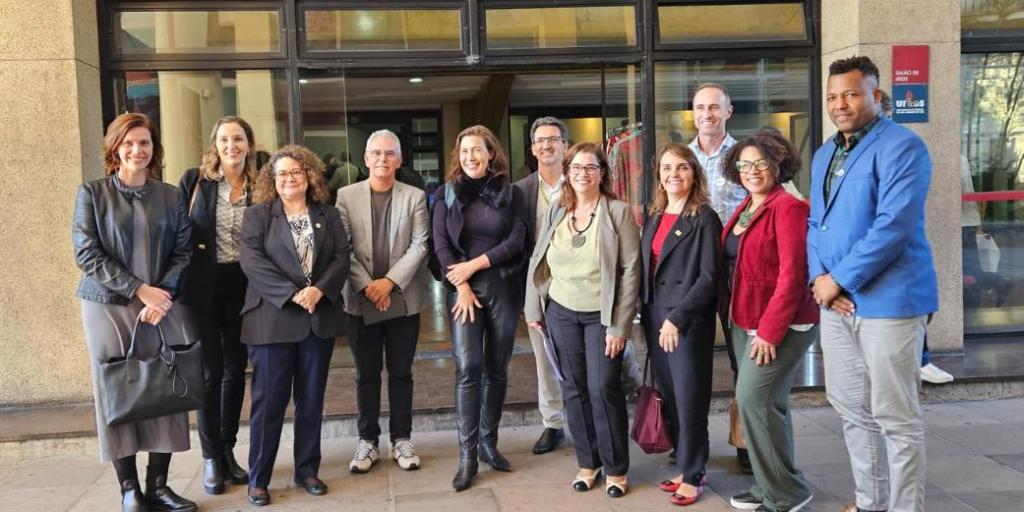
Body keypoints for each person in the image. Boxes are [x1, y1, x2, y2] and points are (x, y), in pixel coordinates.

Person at [809, 56, 938, 512]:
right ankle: (869, 502)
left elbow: (893, 226)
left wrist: (839, 279)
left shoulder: (903, 146)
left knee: (896, 419)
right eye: (832, 96)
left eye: (850, 94)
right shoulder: (826, 152)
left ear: (875, 96)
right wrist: (820, 280)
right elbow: (815, 224)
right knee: (851, 412)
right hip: (836, 304)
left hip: (890, 302)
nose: (839, 104)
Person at [72, 112, 197, 512]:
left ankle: (159, 485)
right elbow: (86, 253)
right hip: (109, 306)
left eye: (144, 143)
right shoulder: (92, 193)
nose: (137, 150)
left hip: (163, 305)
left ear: (153, 149)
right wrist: (139, 290)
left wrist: (163, 297)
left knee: (167, 385)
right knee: (118, 390)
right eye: (128, 143)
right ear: (114, 148)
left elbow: (182, 251)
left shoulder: (170, 195)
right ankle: (129, 489)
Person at [525, 142, 641, 499]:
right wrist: (534, 309)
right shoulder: (557, 210)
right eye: (576, 166)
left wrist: (620, 326)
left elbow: (631, 271)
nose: (582, 173)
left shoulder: (618, 212)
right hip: (560, 311)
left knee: (603, 387)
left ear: (602, 173)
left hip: (601, 316)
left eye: (590, 167)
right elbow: (538, 257)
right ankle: (588, 463)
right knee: (573, 390)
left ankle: (616, 467)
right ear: (567, 171)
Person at [238, 145, 351, 506]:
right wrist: (292, 294)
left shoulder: (328, 215)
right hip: (272, 321)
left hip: (316, 320)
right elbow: (251, 261)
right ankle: (259, 478)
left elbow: (341, 257)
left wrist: (319, 290)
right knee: (269, 405)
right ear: (272, 180)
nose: (290, 179)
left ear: (310, 177)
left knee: (311, 401)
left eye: (297, 173)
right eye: (282, 174)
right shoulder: (258, 216)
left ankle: (307, 470)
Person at [722, 130, 818, 512]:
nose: (752, 170)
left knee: (753, 400)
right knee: (768, 404)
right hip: (745, 319)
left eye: (761, 163)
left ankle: (787, 493)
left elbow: (793, 275)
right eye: (744, 164)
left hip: (780, 324)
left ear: (778, 165)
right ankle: (771, 486)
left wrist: (769, 331)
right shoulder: (747, 205)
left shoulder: (788, 207)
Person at [432, 125, 527, 492]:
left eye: (478, 150)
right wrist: (464, 284)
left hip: (503, 285)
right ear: (459, 156)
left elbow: (517, 238)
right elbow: (440, 245)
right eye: (465, 150)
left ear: (491, 154)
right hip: (463, 291)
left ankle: (489, 443)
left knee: (497, 367)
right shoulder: (447, 194)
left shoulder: (511, 192)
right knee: (468, 367)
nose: (471, 156)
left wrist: (477, 265)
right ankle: (467, 456)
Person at [336, 130, 430, 473]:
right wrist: (369, 287)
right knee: (366, 373)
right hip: (360, 301)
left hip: (403, 299)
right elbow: (341, 248)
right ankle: (368, 441)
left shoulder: (415, 196)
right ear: (365, 158)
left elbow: (420, 245)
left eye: (389, 153)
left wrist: (388, 284)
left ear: (400, 159)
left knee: (402, 371)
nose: (382, 159)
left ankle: (402, 439)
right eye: (375, 153)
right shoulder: (345, 196)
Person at [178, 115, 256, 495]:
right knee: (209, 373)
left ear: (249, 144)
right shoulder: (195, 181)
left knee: (234, 370)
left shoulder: (262, 184)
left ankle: (228, 449)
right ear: (215, 144)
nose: (232, 146)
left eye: (238, 139)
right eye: (224, 139)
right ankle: (210, 457)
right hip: (201, 290)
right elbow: (177, 234)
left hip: (245, 288)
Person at [641, 144, 721, 507]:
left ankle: (694, 474)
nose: (674, 174)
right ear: (659, 174)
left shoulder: (704, 217)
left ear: (694, 173)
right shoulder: (655, 214)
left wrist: (677, 317)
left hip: (684, 320)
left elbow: (708, 278)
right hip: (654, 315)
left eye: (682, 168)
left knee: (690, 399)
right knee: (671, 397)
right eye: (667, 168)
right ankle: (687, 464)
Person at [688, 81, 751, 472]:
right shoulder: (683, 158)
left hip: (735, 267)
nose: (707, 114)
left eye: (715, 107)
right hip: (692, 268)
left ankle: (745, 442)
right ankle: (691, 443)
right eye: (700, 107)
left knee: (741, 357)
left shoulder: (746, 155)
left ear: (728, 111)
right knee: (690, 361)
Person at [879, 89, 954, 385]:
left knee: (906, 305)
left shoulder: (902, 146)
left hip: (899, 252)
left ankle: (922, 361)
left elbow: (899, 214)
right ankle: (918, 361)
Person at [513, 116, 569, 455]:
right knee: (543, 359)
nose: (546, 145)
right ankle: (553, 424)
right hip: (537, 287)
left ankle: (585, 419)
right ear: (533, 149)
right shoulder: (520, 191)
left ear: (565, 144)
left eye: (553, 139)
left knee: (579, 356)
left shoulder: (581, 181)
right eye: (540, 141)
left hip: (577, 286)